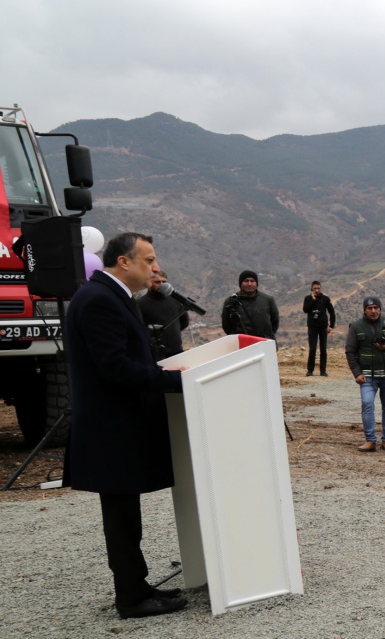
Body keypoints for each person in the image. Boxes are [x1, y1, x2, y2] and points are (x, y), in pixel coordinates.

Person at [63, 232, 189, 619]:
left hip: (116, 426)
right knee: (121, 518)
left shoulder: (111, 296)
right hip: (110, 428)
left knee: (126, 515)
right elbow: (115, 368)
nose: (155, 267)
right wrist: (176, 381)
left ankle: (138, 584)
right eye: (148, 260)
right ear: (124, 262)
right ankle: (131, 599)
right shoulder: (100, 299)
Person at [344, 295, 385, 452]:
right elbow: (350, 351)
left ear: (380, 309)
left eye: (376, 308)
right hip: (368, 376)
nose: (373, 311)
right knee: (367, 404)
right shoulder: (356, 327)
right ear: (364, 310)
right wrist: (357, 373)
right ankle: (370, 440)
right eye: (370, 308)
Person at [134, 267, 190, 359]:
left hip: (177, 351)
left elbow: (184, 322)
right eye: (157, 282)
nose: (161, 285)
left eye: (164, 282)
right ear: (149, 282)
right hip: (154, 355)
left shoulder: (175, 300)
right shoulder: (140, 304)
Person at [220, 270, 278, 339]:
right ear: (240, 283)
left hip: (264, 343)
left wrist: (266, 335)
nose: (249, 284)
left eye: (252, 281)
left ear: (256, 283)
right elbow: (226, 326)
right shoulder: (231, 301)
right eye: (246, 281)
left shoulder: (268, 300)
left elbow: (275, 322)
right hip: (242, 344)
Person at [302, 280, 335, 376]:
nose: (317, 290)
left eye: (318, 288)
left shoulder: (325, 299)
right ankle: (310, 370)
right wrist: (313, 299)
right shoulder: (308, 298)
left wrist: (331, 326)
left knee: (323, 349)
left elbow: (332, 312)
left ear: (321, 288)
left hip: (323, 327)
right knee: (312, 349)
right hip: (312, 327)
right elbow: (305, 310)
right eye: (315, 288)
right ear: (312, 289)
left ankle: (323, 371)